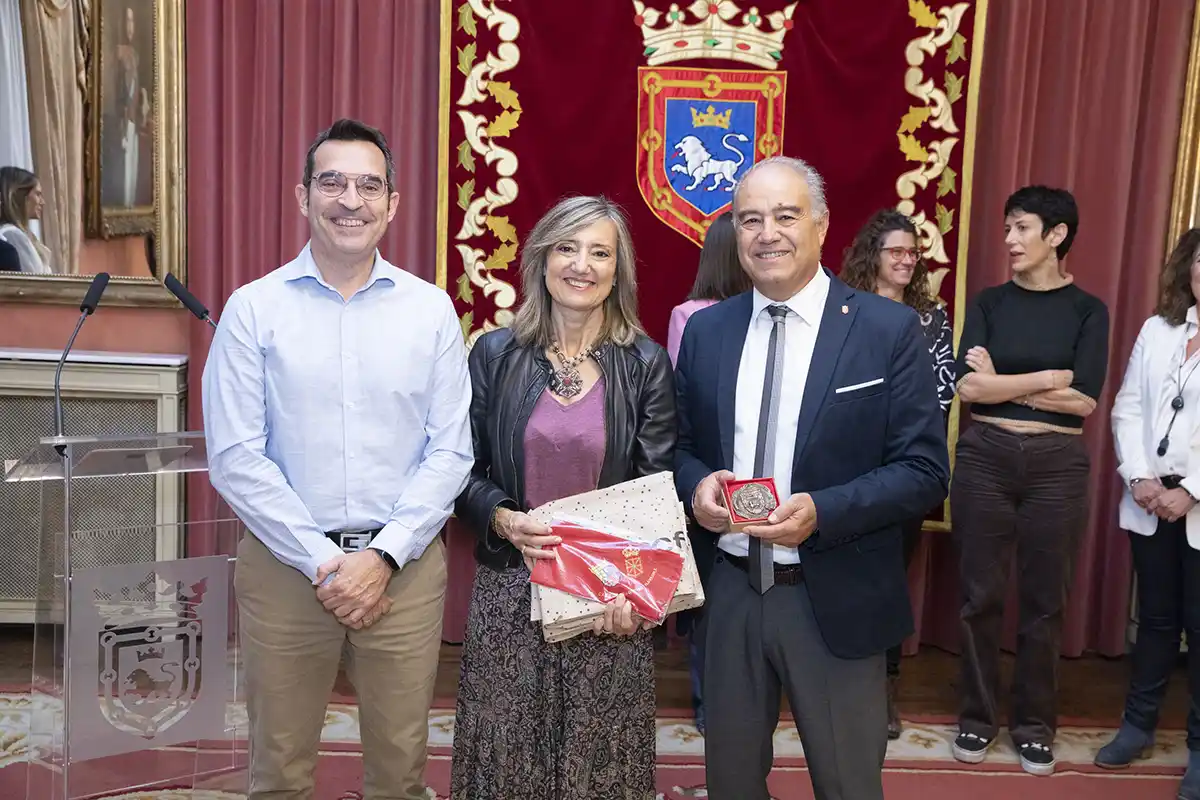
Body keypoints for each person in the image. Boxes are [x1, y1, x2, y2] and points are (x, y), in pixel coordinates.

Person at [202, 118, 472, 800]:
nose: (351, 200)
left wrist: (382, 557)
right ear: (303, 196)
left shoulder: (431, 311)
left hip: (403, 574)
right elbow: (235, 456)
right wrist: (325, 563)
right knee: (279, 772)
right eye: (332, 182)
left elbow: (450, 451)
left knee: (400, 774)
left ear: (393, 203)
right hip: (286, 570)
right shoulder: (252, 309)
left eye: (369, 186)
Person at [674, 156, 950, 800]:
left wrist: (823, 511)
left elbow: (924, 471)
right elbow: (681, 448)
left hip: (834, 594)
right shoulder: (708, 331)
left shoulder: (886, 330)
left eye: (785, 216)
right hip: (730, 592)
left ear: (822, 226)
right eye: (750, 220)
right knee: (731, 785)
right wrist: (697, 486)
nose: (767, 233)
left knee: (847, 784)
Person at [450, 195, 675, 800]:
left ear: (618, 270)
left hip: (606, 600)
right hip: (510, 588)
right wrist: (501, 516)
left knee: (596, 768)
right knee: (507, 769)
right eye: (567, 248)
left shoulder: (646, 364)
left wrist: (635, 594)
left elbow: (655, 491)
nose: (582, 265)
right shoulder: (494, 354)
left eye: (600, 252)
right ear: (541, 259)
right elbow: (458, 471)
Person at [951, 185, 1109, 776]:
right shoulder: (990, 302)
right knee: (979, 598)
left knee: (1045, 602)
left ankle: (1035, 726)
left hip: (1057, 466)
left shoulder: (1089, 310)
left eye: (1021, 228)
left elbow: (1084, 401)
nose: (1010, 240)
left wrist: (1003, 381)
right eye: (1007, 228)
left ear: (1056, 235)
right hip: (985, 458)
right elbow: (970, 389)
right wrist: (1046, 378)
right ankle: (976, 718)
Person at [839, 207, 955, 738]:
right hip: (846, 467)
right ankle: (836, 680)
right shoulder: (844, 310)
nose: (908, 260)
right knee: (844, 575)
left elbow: (942, 392)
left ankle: (884, 686)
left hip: (903, 470)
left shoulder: (931, 318)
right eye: (897, 252)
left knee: (890, 578)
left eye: (913, 252)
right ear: (874, 256)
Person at [1099, 228, 1200, 799]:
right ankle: (1137, 727)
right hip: (1148, 499)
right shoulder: (1157, 330)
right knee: (1156, 621)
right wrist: (1138, 477)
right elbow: (1128, 407)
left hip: (1196, 504)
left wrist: (1192, 491)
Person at [665, 208, 749, 735]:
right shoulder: (691, 316)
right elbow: (683, 398)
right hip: (711, 471)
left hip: (758, 470)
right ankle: (706, 700)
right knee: (709, 593)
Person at [0, 166, 51, 274]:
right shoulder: (13, 235)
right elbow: (34, 280)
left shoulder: (23, 235)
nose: (42, 202)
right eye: (38, 194)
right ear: (21, 195)